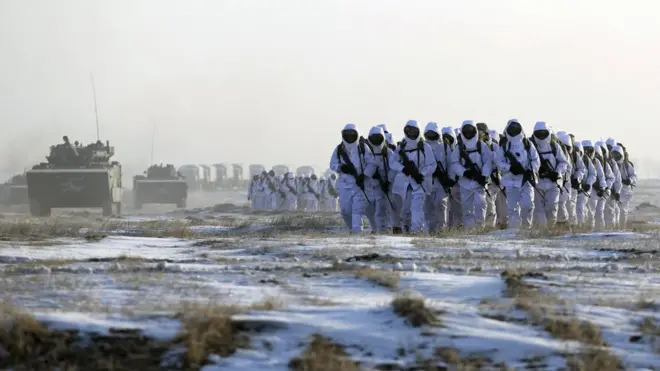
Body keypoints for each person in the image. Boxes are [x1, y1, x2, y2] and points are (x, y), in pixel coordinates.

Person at [389, 120, 436, 234]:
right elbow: (393, 162)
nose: (411, 133)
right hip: (405, 184)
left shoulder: (425, 147)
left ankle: (416, 231)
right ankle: (407, 229)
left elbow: (432, 165)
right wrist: (403, 168)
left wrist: (421, 173)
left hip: (420, 183)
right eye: (408, 130)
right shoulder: (401, 147)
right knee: (406, 210)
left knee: (417, 208)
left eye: (414, 130)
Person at [329, 124, 376, 233]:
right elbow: (332, 164)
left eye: (352, 134)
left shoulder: (363, 148)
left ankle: (357, 232)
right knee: (345, 211)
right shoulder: (339, 149)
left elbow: (372, 164)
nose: (349, 137)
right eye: (347, 135)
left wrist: (365, 175)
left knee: (357, 210)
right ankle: (352, 229)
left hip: (359, 185)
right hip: (344, 185)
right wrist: (341, 167)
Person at [497, 119, 540, 229]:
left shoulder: (527, 144)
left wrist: (531, 170)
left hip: (526, 180)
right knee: (512, 209)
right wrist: (510, 168)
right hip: (510, 181)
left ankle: (526, 228)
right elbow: (498, 162)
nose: (514, 130)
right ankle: (514, 230)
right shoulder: (504, 146)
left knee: (528, 205)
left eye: (516, 128)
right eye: (511, 128)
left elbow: (536, 160)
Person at [450, 120, 493, 231]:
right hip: (465, 182)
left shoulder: (482, 146)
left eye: (471, 130)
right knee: (467, 207)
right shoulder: (459, 148)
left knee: (481, 204)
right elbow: (454, 163)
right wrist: (464, 172)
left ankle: (479, 227)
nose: (468, 133)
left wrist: (483, 175)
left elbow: (488, 161)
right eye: (466, 131)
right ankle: (469, 230)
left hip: (479, 182)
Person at [529, 121, 568, 228]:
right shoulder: (532, 147)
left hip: (553, 182)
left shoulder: (554, 146)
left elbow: (563, 162)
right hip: (538, 182)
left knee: (552, 206)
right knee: (538, 209)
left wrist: (557, 173)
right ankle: (541, 230)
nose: (541, 136)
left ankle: (550, 228)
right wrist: (536, 170)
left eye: (543, 133)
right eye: (539, 133)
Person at [365, 126, 395, 233]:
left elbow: (393, 169)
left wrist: (388, 181)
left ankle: (382, 229)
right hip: (369, 185)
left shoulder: (389, 153)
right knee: (369, 210)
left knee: (382, 210)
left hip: (384, 186)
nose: (376, 140)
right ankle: (375, 228)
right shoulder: (366, 152)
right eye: (374, 137)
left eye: (378, 137)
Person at [424, 122, 453, 233]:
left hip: (441, 182)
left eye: (433, 133)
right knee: (428, 207)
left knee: (441, 205)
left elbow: (450, 163)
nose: (431, 135)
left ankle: (442, 230)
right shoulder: (423, 147)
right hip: (427, 181)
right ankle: (430, 230)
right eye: (429, 133)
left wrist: (450, 178)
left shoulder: (444, 147)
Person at [442, 127, 461, 229]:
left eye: (449, 137)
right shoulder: (440, 150)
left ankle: (459, 228)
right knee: (446, 208)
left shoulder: (458, 149)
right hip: (444, 184)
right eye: (444, 137)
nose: (446, 140)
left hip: (457, 184)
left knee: (458, 208)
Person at [611, 144, 636, 227]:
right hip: (614, 190)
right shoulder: (611, 164)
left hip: (625, 191)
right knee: (614, 210)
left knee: (623, 211)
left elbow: (633, 176)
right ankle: (615, 226)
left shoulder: (627, 165)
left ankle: (622, 227)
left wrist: (629, 180)